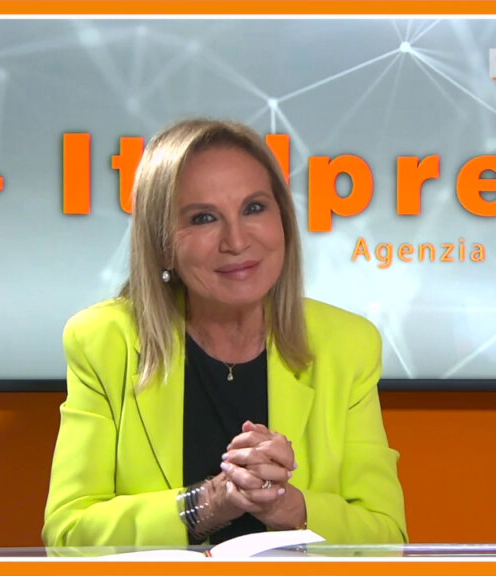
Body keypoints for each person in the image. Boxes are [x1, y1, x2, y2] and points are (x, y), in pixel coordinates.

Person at [42, 118, 407, 548]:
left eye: (254, 208)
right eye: (203, 218)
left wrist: (290, 507)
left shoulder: (347, 344)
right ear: (163, 245)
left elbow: (386, 538)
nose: (236, 241)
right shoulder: (105, 341)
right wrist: (209, 501)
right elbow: (68, 535)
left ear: (283, 221)